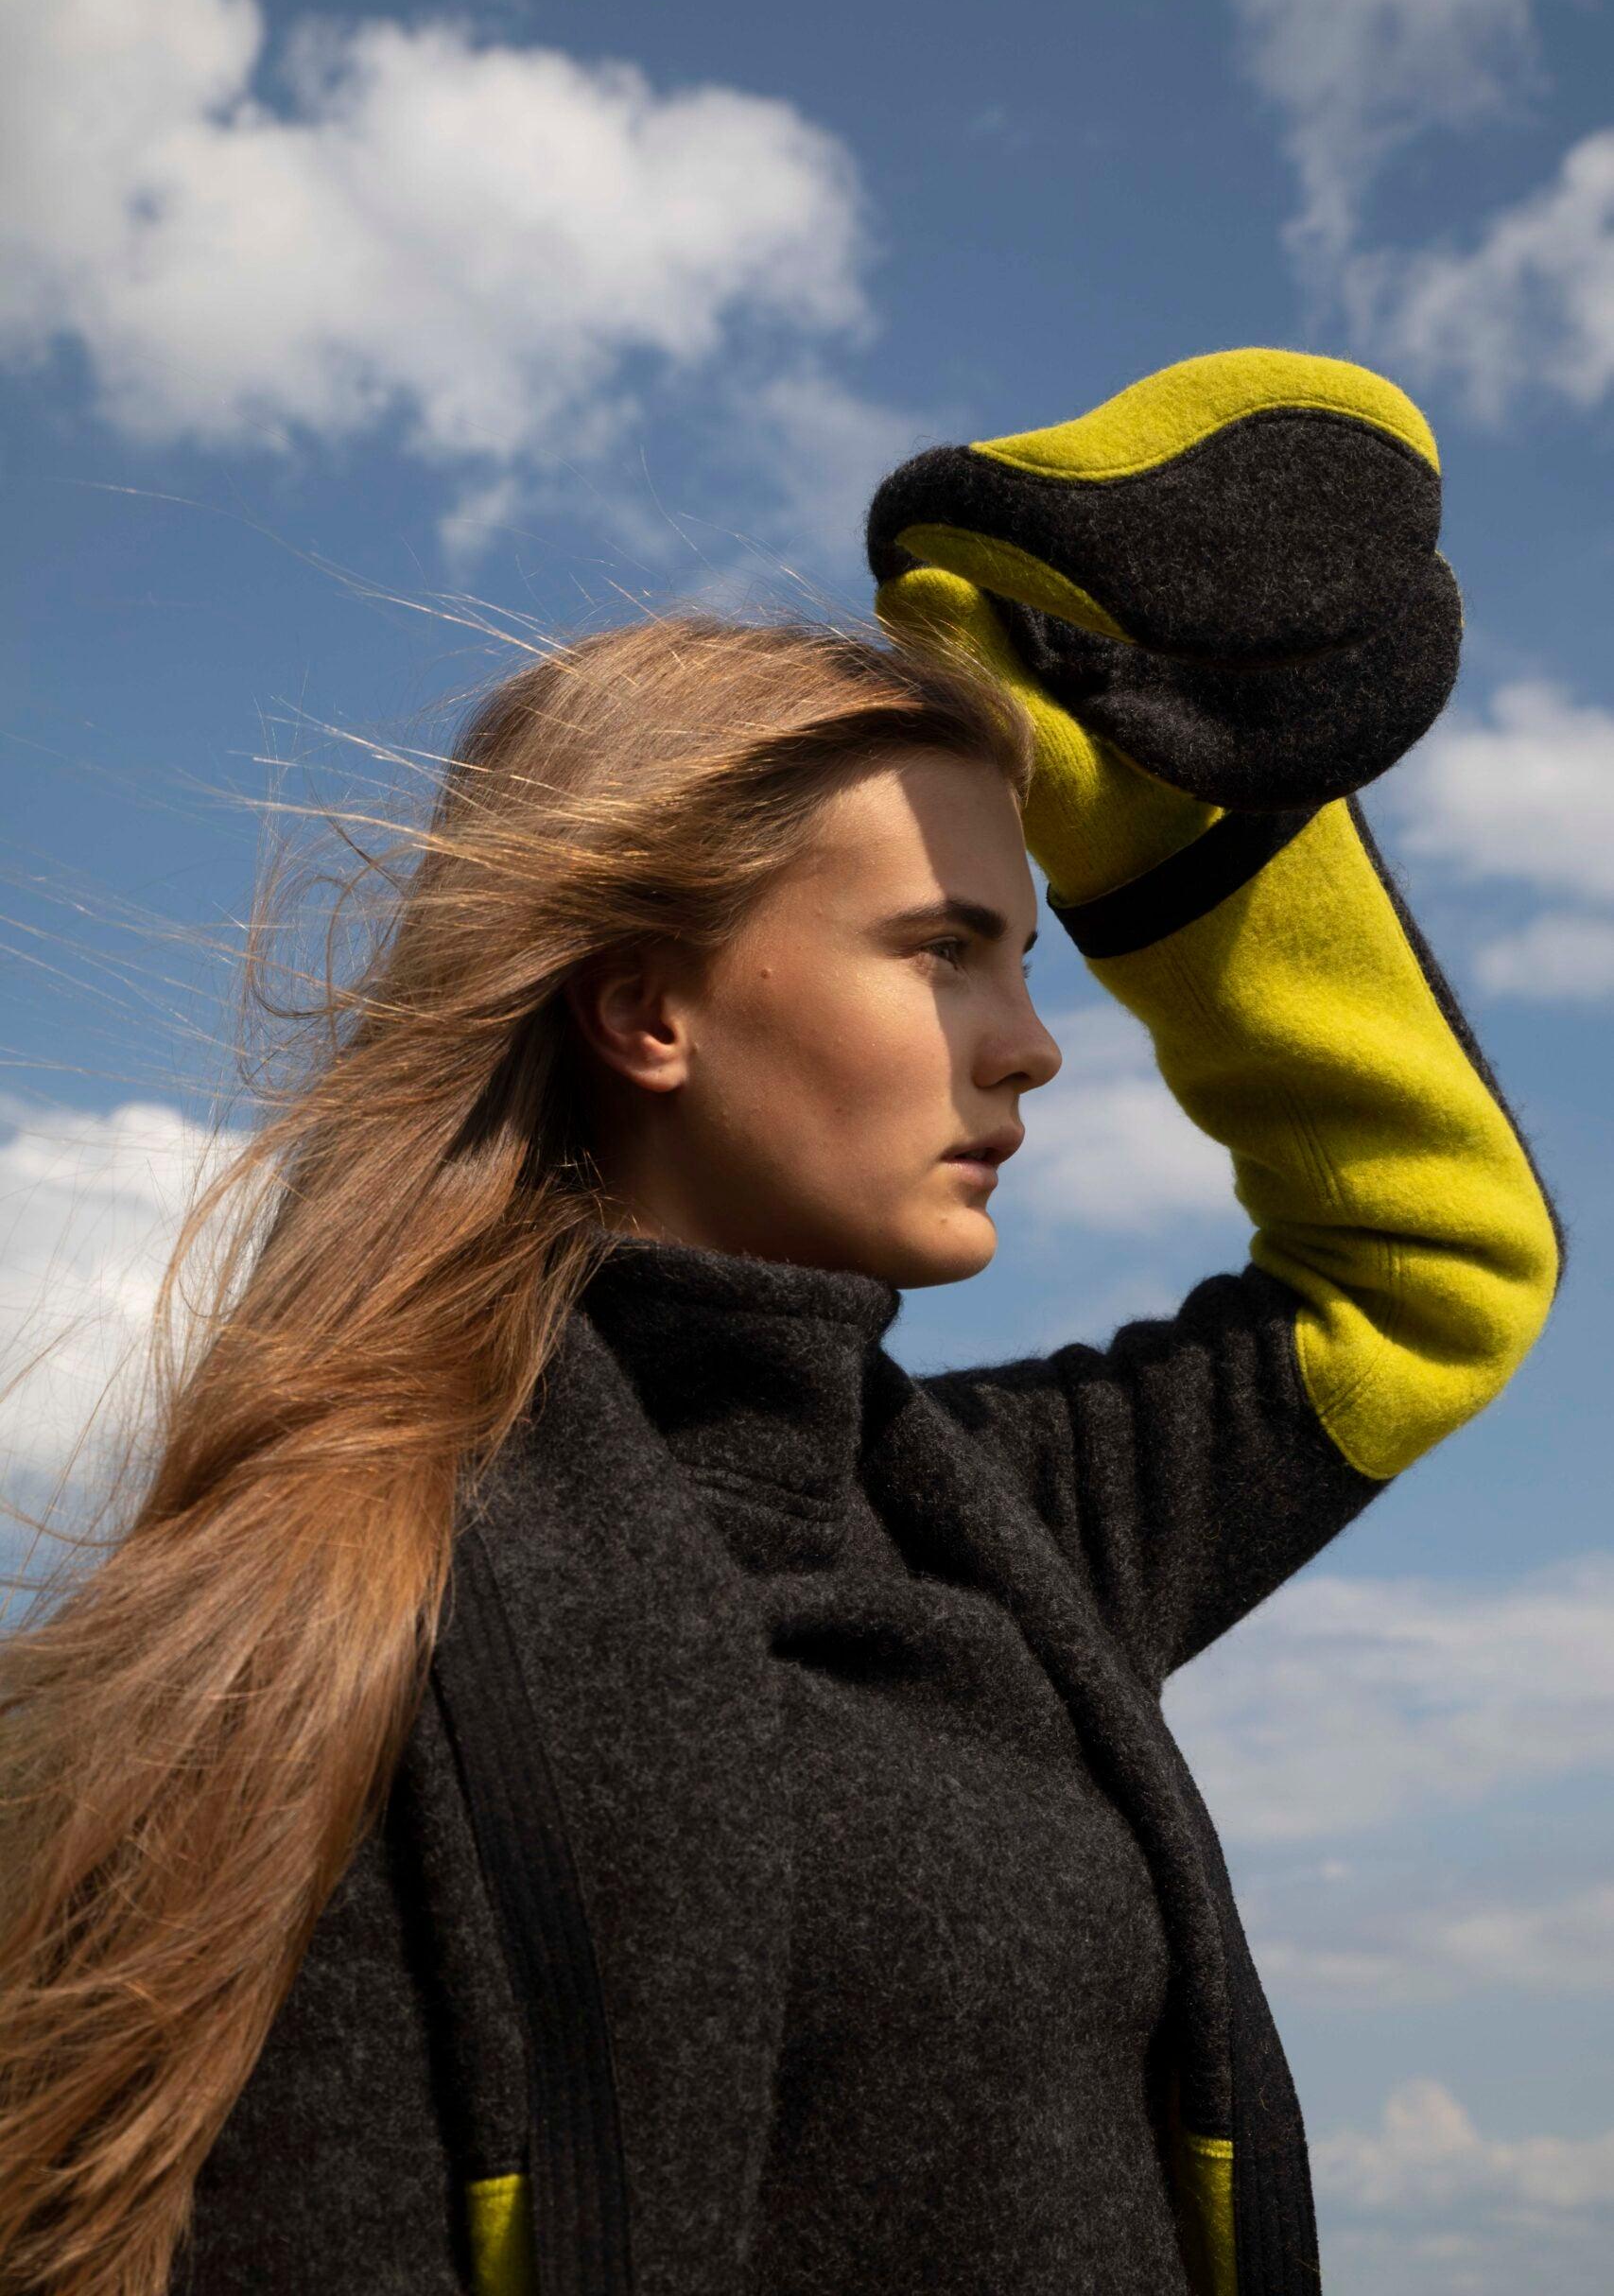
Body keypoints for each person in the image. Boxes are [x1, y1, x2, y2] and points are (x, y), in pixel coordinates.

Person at [0, 351, 1561, 2296]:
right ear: (647, 1005)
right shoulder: (348, 1621)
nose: (1037, 1040)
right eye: (941, 950)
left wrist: (1140, 791)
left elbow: (1425, 1274)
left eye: (1029, 944)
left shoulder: (993, 1525)